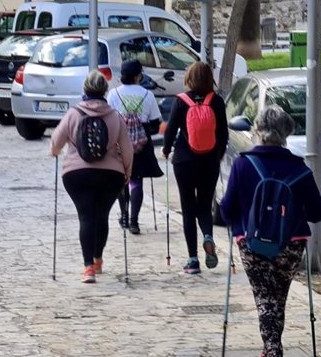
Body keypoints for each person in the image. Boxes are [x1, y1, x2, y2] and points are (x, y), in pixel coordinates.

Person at [220, 106, 321, 357]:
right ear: (286, 134)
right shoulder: (299, 168)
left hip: (252, 243)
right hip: (291, 244)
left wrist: (241, 218)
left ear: (257, 130)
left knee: (266, 301)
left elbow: (227, 210)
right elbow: (317, 211)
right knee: (275, 300)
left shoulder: (243, 165)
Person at [51, 70, 134, 283]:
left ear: (84, 89)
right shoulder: (115, 116)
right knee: (102, 215)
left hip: (77, 174)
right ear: (105, 90)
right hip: (110, 174)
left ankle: (88, 268)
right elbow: (127, 149)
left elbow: (56, 142)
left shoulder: (73, 114)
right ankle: (98, 259)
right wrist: (127, 171)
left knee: (86, 216)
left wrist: (55, 152)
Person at [162, 61, 228, 274]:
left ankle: (193, 260)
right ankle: (208, 235)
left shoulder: (180, 102)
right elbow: (224, 134)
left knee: (188, 209)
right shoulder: (216, 102)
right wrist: (217, 155)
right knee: (204, 205)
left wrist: (165, 150)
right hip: (209, 162)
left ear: (189, 78)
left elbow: (170, 131)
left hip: (184, 161)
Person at [107, 59, 163, 235]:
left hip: (118, 141)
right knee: (136, 180)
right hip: (141, 143)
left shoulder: (113, 94)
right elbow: (155, 122)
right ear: (139, 76)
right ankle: (134, 221)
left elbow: (108, 118)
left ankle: (123, 215)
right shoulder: (148, 95)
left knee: (120, 180)